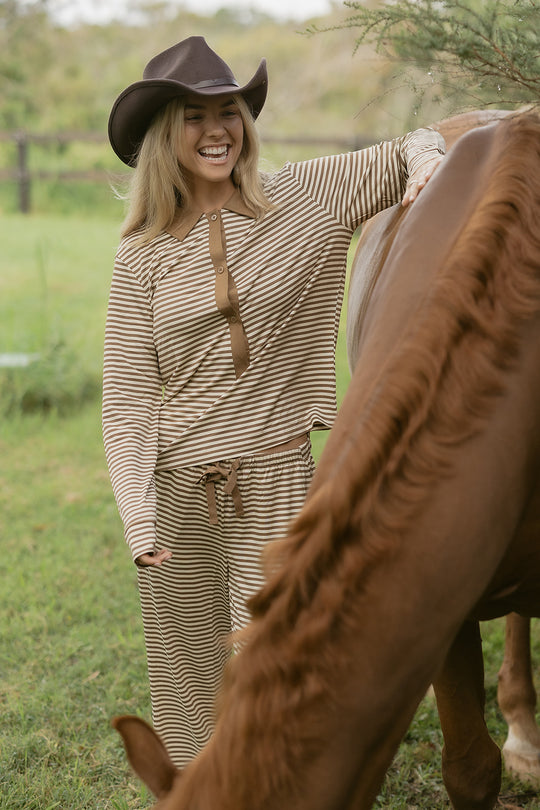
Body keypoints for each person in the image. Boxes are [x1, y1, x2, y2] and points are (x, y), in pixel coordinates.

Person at [103, 35, 445, 767]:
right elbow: (130, 400)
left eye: (228, 111)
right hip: (174, 496)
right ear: (166, 133)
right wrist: (137, 514)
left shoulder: (310, 194)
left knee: (280, 673)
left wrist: (426, 166)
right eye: (193, 116)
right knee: (191, 692)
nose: (216, 129)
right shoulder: (140, 255)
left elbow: (414, 141)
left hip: (277, 479)